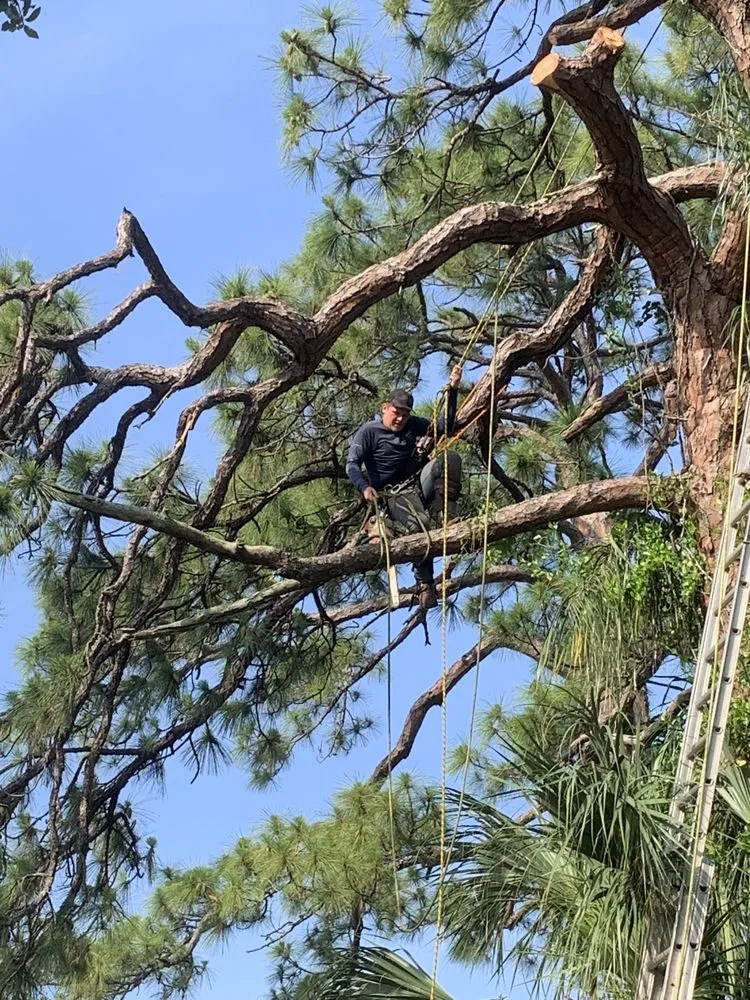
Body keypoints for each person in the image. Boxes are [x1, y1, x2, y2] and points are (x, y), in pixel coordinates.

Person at [345, 365, 463, 610]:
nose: (399, 419)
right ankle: (425, 583)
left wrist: (452, 390)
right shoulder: (369, 432)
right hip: (393, 493)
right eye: (396, 412)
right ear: (385, 408)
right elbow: (352, 465)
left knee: (450, 459)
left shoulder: (412, 425)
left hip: (417, 483)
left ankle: (446, 516)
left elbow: (446, 426)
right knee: (418, 525)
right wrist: (365, 487)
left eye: (405, 414)